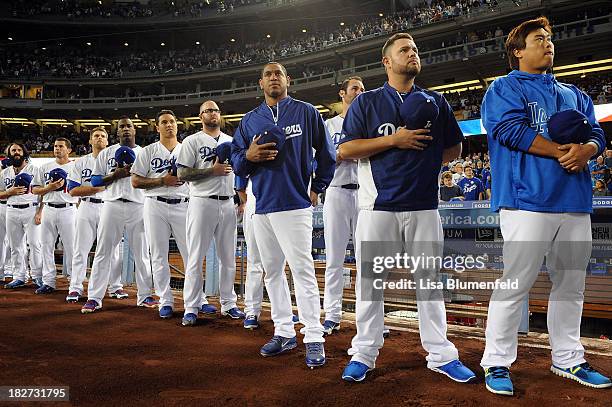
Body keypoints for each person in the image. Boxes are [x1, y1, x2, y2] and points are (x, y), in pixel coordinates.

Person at [480, 17, 610, 396]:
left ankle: (568, 357)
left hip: (573, 199)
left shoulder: (574, 93)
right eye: (539, 40)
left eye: (550, 39)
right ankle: (497, 361)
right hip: (526, 201)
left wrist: (588, 149)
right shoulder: (504, 87)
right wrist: (560, 152)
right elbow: (507, 130)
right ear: (517, 51)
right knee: (515, 283)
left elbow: (596, 131)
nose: (548, 44)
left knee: (571, 283)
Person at [338, 33, 476, 383]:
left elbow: (454, 149)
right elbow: (346, 150)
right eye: (404, 50)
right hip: (377, 206)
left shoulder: (436, 100)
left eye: (415, 49)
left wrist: (426, 163)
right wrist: (394, 140)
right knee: (371, 284)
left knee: (429, 283)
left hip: (425, 206)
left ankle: (441, 354)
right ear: (387, 61)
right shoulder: (367, 102)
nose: (412, 53)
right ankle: (364, 353)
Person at [232, 62, 335, 368]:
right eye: (268, 75)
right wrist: (247, 156)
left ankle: (314, 336)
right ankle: (284, 331)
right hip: (261, 206)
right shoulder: (249, 120)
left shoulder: (306, 112)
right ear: (261, 84)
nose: (273, 78)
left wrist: (317, 187)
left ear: (288, 80)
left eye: (279, 73)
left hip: (294, 204)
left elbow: (328, 155)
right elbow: (237, 162)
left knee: (301, 271)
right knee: (272, 272)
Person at [176, 100, 244, 326]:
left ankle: (229, 303)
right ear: (200, 116)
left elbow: (241, 172)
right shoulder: (191, 141)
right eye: (207, 111)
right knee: (195, 257)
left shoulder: (231, 141)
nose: (212, 114)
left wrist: (241, 200)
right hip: (201, 202)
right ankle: (191, 306)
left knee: (228, 258)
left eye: (215, 110)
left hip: (227, 203)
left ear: (220, 114)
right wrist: (211, 171)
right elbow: (182, 174)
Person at [81, 117, 157, 313]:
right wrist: (115, 175)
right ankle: (94, 298)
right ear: (116, 132)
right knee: (103, 252)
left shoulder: (144, 152)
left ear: (135, 130)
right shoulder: (106, 153)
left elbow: (151, 180)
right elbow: (96, 181)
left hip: (138, 205)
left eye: (128, 126)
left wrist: (134, 175)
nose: (125, 129)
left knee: (142, 254)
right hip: (112, 204)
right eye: (121, 126)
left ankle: (145, 295)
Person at [131, 110, 191, 319]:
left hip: (184, 204)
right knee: (158, 255)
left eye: (172, 121)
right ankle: (165, 300)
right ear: (157, 127)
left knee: (190, 255)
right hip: (155, 204)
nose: (169, 125)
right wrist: (161, 181)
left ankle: (195, 300)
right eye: (164, 122)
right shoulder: (148, 151)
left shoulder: (187, 149)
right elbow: (136, 181)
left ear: (177, 125)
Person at [321, 76, 364, 335]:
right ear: (342, 94)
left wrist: (350, 153)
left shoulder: (369, 123)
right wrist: (341, 155)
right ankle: (332, 315)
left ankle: (368, 318)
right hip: (335, 192)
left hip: (364, 194)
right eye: (355, 88)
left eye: (362, 89)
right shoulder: (328, 125)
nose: (359, 92)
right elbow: (323, 160)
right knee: (334, 259)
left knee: (366, 260)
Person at [66, 127, 127, 303]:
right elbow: (72, 190)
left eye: (103, 136)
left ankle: (115, 287)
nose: (99, 138)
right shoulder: (80, 162)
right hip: (86, 207)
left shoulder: (115, 160)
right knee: (80, 249)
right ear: (90, 141)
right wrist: (96, 188)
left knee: (114, 251)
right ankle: (75, 287)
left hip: (109, 206)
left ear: (108, 141)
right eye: (96, 136)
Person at [31, 138, 77, 294]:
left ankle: (73, 281)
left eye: (61, 146)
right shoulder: (44, 167)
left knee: (72, 247)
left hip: (69, 208)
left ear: (69, 150)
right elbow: (34, 190)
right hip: (49, 209)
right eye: (56, 146)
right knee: (46, 246)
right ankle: (48, 281)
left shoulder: (75, 166)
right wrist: (49, 187)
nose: (57, 149)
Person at [0, 143, 42, 288]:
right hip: (11, 209)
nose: (16, 152)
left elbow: (42, 193)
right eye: (13, 150)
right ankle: (19, 276)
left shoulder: (34, 169)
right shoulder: (5, 172)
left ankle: (37, 276)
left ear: (24, 152)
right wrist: (8, 193)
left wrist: (40, 211)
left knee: (35, 243)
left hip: (31, 210)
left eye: (19, 150)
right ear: (9, 153)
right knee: (15, 245)